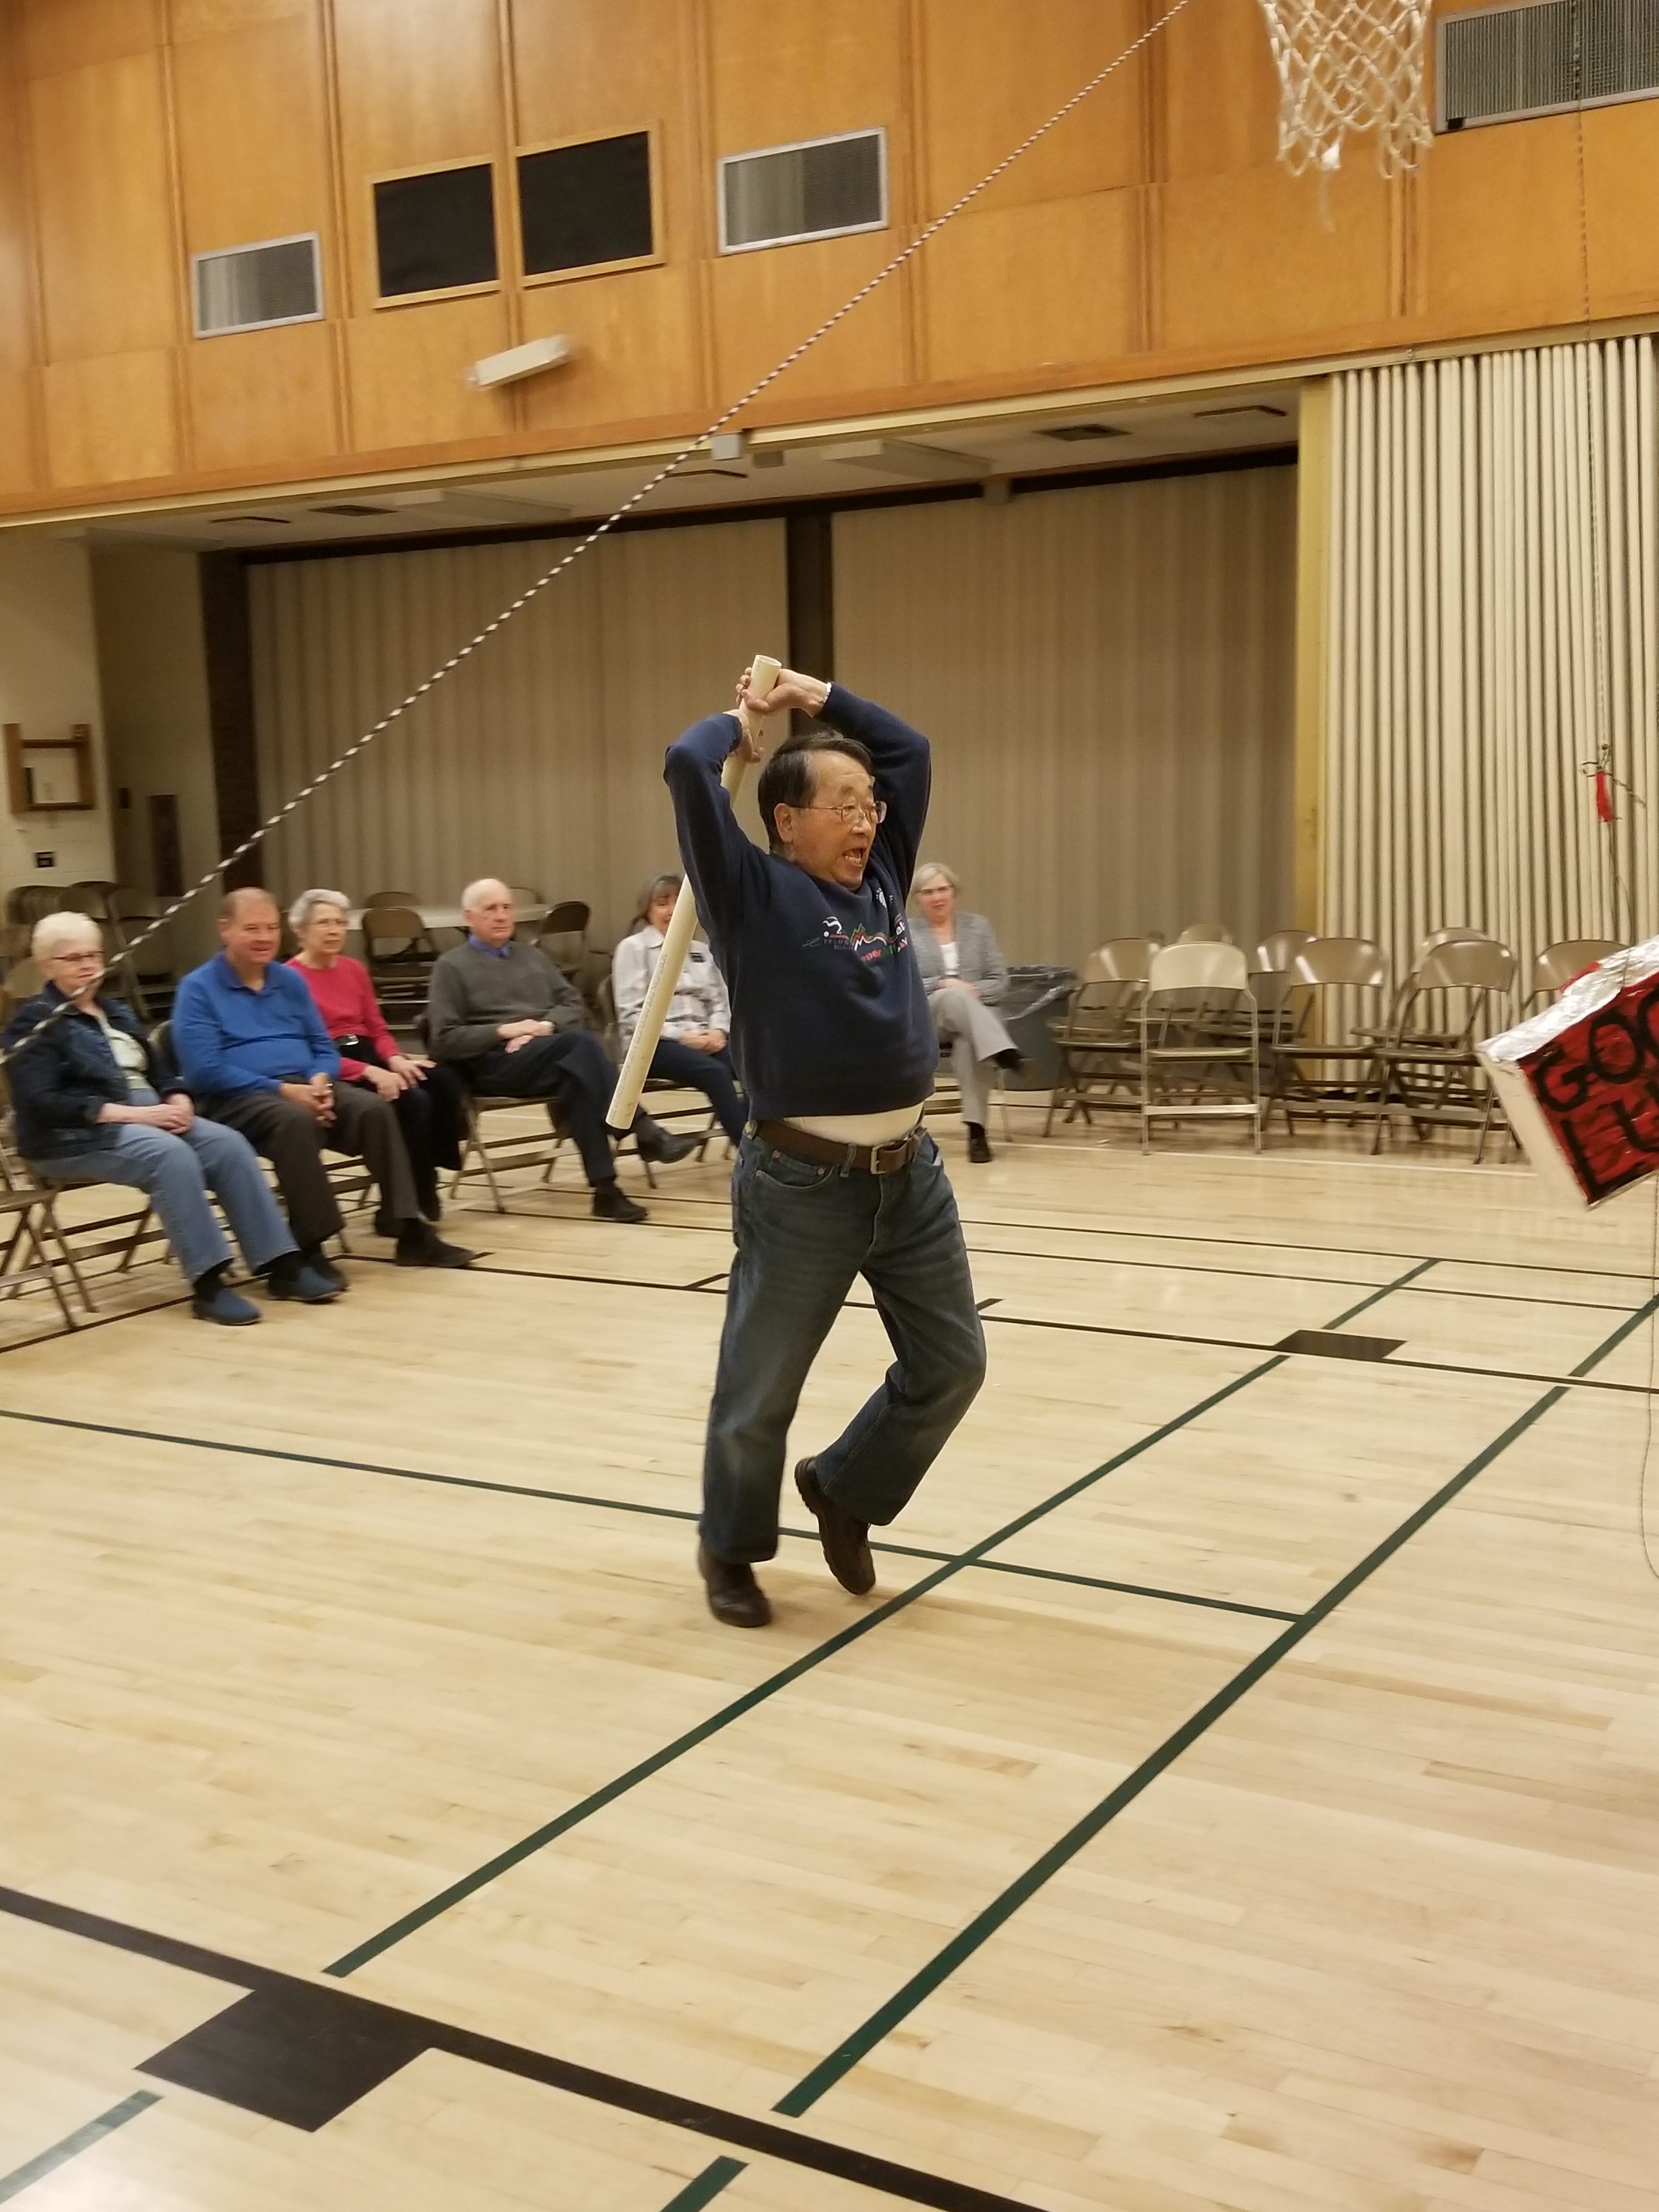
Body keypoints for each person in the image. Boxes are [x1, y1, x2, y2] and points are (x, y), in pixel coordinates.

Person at [665, 666, 986, 1628]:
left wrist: (817, 694)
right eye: (841, 806)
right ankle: (729, 1548)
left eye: (868, 804)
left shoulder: (884, 876)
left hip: (909, 1176)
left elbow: (910, 750)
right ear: (784, 822)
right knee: (761, 1389)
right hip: (801, 1181)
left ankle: (844, 1488)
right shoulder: (750, 895)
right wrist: (737, 729)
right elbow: (685, 764)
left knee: (951, 1364)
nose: (863, 821)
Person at [2, 912, 337, 1319]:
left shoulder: (117, 1012)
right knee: (170, 1156)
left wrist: (178, 1097)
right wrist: (133, 1115)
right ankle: (208, 1285)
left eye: (94, 956)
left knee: (228, 1145)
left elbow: (161, 1073)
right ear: (46, 966)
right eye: (73, 959)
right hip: (76, 1134)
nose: (88, 966)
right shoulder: (35, 1020)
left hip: (150, 1114)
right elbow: (39, 1101)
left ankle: (281, 1264)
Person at [173, 887, 473, 1280]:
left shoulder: (288, 982)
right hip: (237, 1096)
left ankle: (410, 1229)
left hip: (304, 1084)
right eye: (252, 929)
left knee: (373, 1110)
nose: (264, 938)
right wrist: (285, 1091)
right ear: (225, 930)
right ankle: (309, 1245)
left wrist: (320, 1080)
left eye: (270, 928)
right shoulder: (198, 989)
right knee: (295, 1120)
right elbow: (204, 1071)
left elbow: (322, 1046)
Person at [426, 878, 695, 1224]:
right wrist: (504, 1031)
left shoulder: (532, 956)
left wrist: (543, 1028)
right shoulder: (450, 966)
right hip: (494, 1063)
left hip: (545, 1051)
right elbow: (444, 1039)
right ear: (469, 917)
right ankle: (641, 1127)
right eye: (491, 909)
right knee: (580, 1045)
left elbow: (573, 1004)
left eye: (507, 907)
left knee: (578, 1080)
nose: (502, 916)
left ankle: (606, 1191)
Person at [286, 888, 467, 1226]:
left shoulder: (355, 970)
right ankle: (409, 1196)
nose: (334, 931)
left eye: (340, 923)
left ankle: (426, 1170)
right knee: (412, 1101)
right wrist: (368, 1071)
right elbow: (306, 1050)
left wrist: (396, 1059)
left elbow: (377, 1028)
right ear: (300, 931)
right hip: (331, 1062)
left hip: (367, 1049)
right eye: (324, 923)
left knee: (442, 1080)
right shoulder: (289, 978)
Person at [612, 873, 745, 1148]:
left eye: (678, 903)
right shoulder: (633, 949)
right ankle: (749, 1152)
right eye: (663, 903)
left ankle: (769, 1141)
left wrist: (719, 1031)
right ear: (647, 910)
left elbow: (721, 1001)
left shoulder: (702, 951)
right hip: (655, 1045)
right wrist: (684, 1037)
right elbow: (632, 1016)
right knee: (714, 1074)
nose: (672, 911)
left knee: (756, 1066)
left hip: (707, 1039)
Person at [910, 861, 1022, 1163]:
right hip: (930, 1017)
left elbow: (1000, 981)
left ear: (954, 893)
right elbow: (904, 983)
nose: (937, 897)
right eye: (928, 892)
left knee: (968, 1044)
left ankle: (977, 1133)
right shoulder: (907, 932)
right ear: (918, 899)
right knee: (951, 996)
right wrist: (945, 984)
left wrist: (973, 991)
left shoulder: (978, 928)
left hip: (974, 1023)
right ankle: (1004, 1052)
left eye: (943, 890)